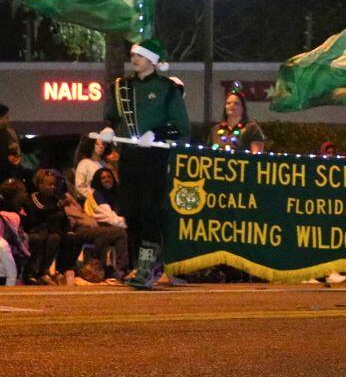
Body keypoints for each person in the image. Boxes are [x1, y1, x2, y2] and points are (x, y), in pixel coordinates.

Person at [101, 38, 190, 289]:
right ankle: (140, 264)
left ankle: (146, 268)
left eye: (139, 55)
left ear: (152, 59)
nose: (134, 59)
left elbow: (182, 127)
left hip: (155, 157)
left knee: (149, 210)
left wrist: (157, 134)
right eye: (132, 54)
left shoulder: (167, 88)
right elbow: (112, 116)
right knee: (131, 211)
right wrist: (108, 127)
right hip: (130, 157)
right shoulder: (122, 87)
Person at [209, 84, 267, 153]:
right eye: (228, 103)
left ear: (243, 108)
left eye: (236, 103)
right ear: (225, 107)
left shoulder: (252, 129)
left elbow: (257, 157)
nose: (231, 105)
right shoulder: (216, 129)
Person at [73, 135, 110, 202]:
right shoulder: (84, 163)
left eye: (103, 144)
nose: (101, 146)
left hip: (107, 201)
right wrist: (94, 195)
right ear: (91, 145)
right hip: (92, 203)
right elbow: (79, 187)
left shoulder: (104, 164)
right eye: (97, 144)